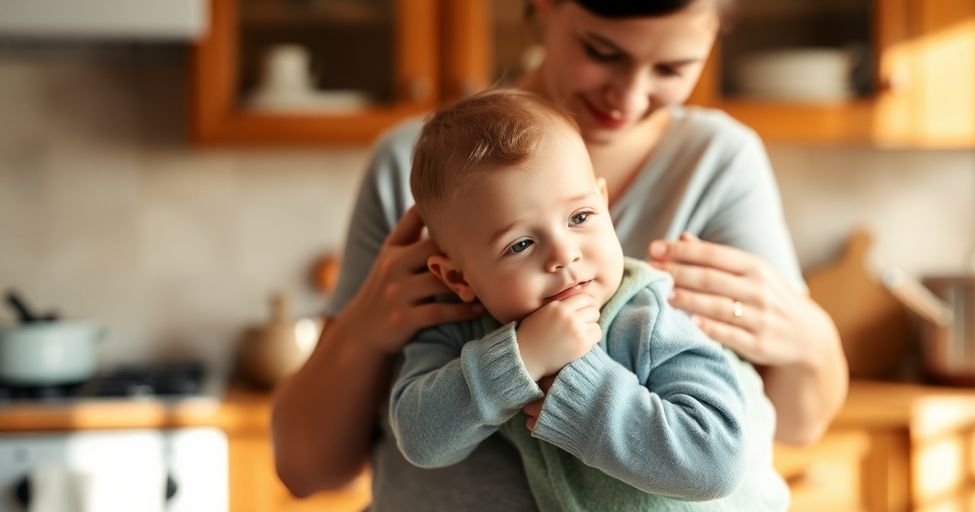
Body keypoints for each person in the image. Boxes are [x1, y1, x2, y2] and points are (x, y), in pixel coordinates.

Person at [271, 0, 848, 508]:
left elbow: (789, 427)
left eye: (672, 68)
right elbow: (305, 470)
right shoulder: (419, 167)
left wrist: (808, 336)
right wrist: (365, 327)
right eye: (602, 51)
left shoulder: (717, 165)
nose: (628, 96)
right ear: (545, 7)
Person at [389, 88, 787, 511]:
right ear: (457, 277)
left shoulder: (648, 312)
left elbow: (717, 461)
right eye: (520, 244)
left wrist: (583, 394)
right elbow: (420, 439)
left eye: (579, 217)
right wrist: (519, 359)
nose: (564, 254)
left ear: (604, 201)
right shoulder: (463, 328)